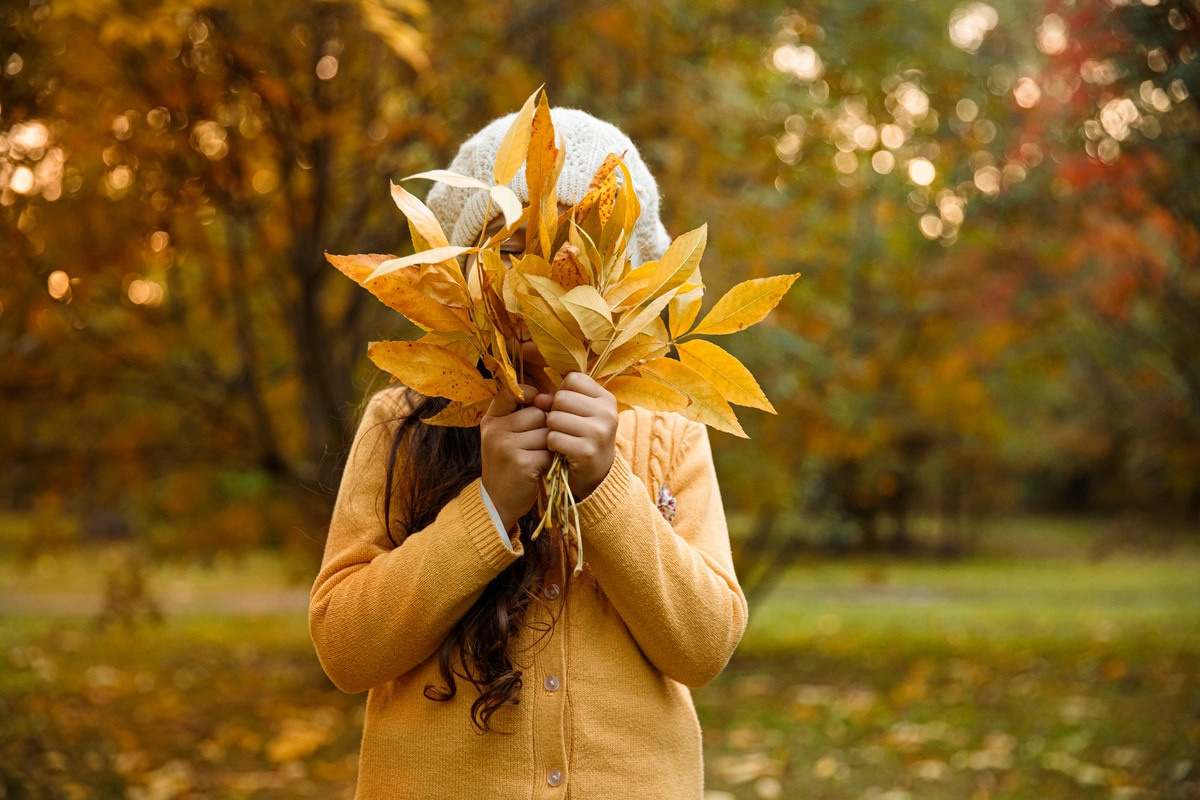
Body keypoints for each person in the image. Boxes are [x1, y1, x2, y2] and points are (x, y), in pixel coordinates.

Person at [309, 107, 748, 799]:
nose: (544, 285)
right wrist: (486, 508)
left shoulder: (666, 426)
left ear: (626, 280)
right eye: (512, 256)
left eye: (579, 255)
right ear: (460, 274)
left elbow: (703, 647)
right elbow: (345, 649)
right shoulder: (403, 418)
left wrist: (605, 485)